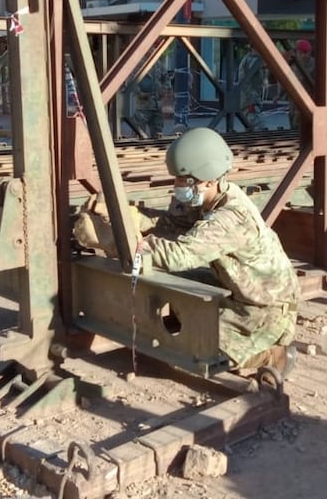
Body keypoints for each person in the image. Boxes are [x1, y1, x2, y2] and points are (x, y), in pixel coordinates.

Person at [74, 128, 300, 375]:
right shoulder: (201, 197)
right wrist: (126, 218)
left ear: (210, 180)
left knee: (200, 351)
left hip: (266, 306)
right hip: (233, 285)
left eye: (185, 180)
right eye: (178, 179)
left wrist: (113, 242)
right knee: (162, 282)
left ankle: (274, 355)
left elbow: (179, 255)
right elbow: (167, 229)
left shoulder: (232, 217)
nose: (178, 186)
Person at [236, 47, 270, 131]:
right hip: (251, 100)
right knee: (258, 127)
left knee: (251, 128)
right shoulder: (250, 60)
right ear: (253, 49)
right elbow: (263, 64)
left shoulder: (249, 59)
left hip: (250, 99)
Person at [285, 39, 316, 128]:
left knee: (301, 124)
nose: (304, 56)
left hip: (307, 101)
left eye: (306, 53)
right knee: (293, 121)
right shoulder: (293, 65)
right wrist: (280, 95)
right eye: (301, 53)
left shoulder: (313, 65)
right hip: (294, 102)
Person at [127, 68, 164, 138]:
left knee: (158, 134)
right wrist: (139, 93)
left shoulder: (158, 64)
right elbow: (130, 81)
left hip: (157, 106)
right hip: (143, 106)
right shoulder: (138, 65)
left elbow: (165, 78)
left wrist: (165, 89)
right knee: (138, 133)